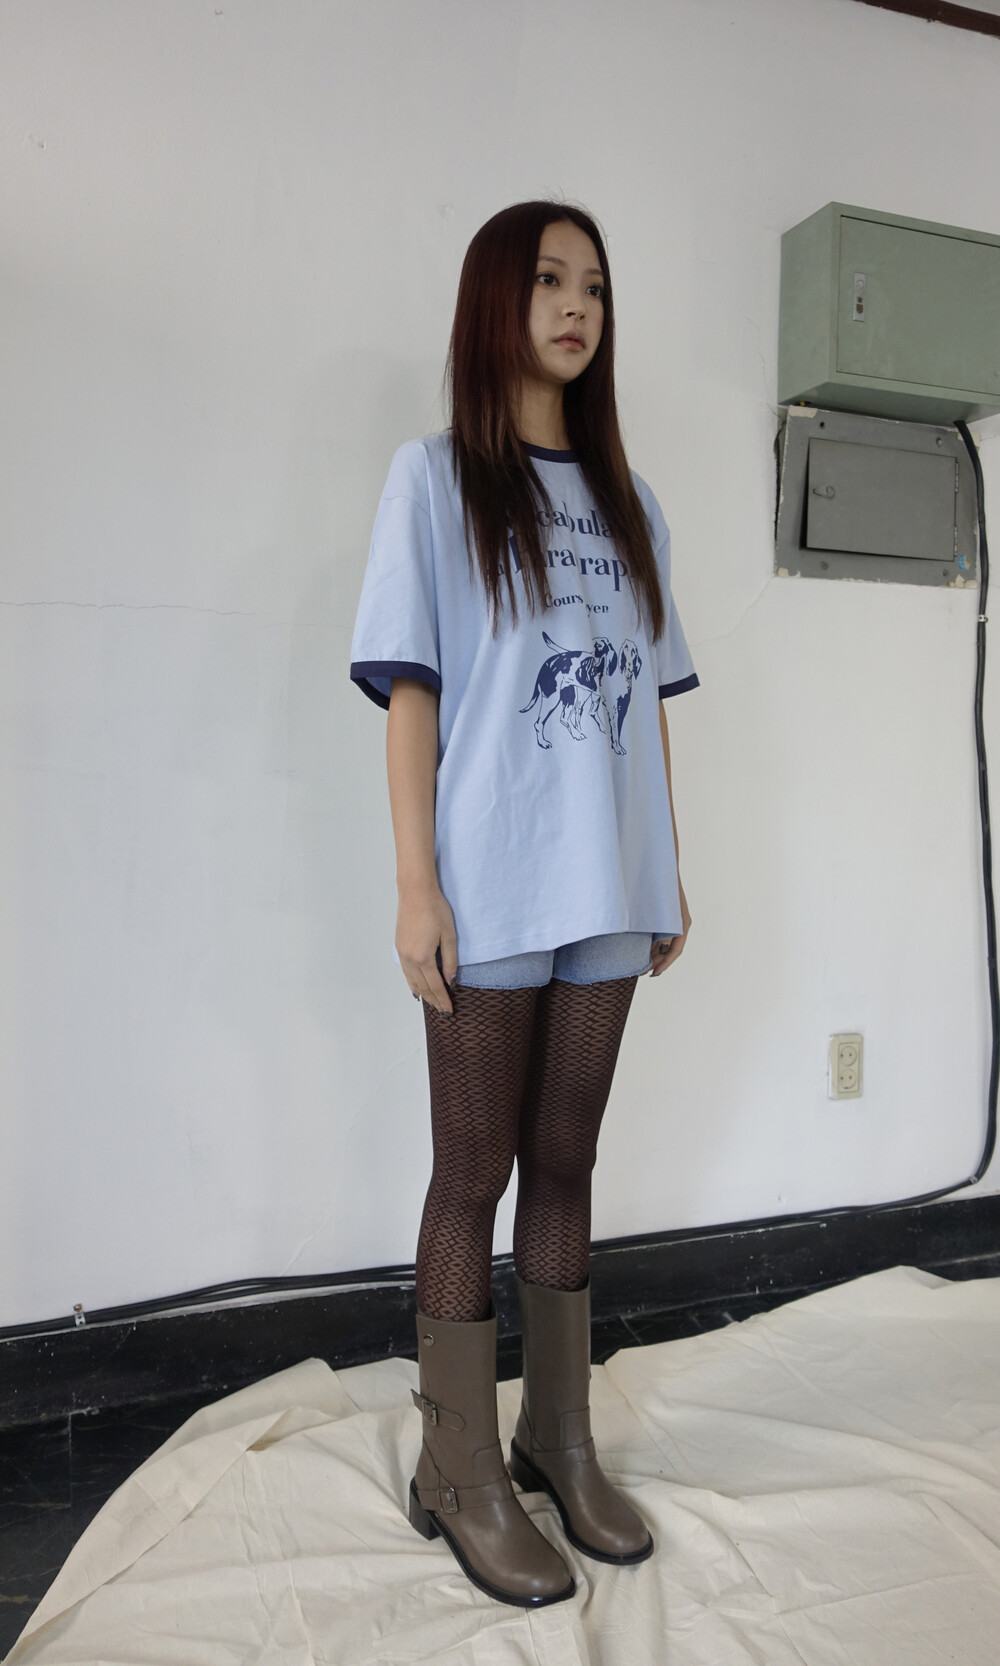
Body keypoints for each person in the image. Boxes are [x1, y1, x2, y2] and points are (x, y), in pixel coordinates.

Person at [349, 201, 698, 1608]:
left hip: (608, 885)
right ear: (497, 299)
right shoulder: (434, 481)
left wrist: (670, 864)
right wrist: (415, 885)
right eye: (550, 280)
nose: (576, 306)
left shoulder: (632, 502)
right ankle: (458, 1467)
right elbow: (413, 695)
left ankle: (557, 1436)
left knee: (567, 1160)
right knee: (473, 1169)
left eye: (595, 286)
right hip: (489, 882)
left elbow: (650, 708)